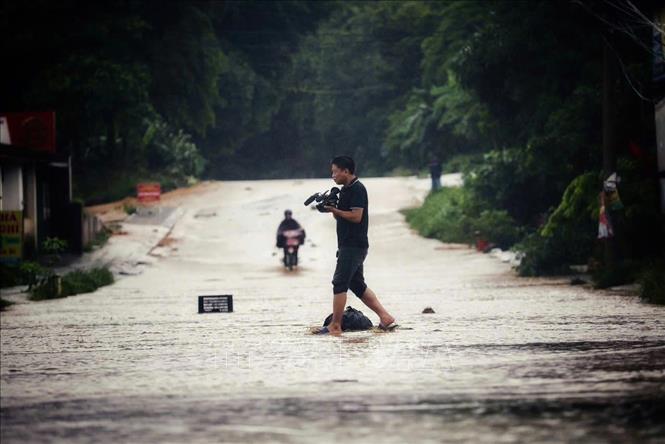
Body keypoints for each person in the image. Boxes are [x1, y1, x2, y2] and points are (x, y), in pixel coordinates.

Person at [315, 155, 397, 335]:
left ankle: (335, 325)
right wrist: (330, 208)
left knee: (339, 282)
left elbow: (356, 217)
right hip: (346, 244)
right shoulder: (344, 190)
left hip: (354, 244)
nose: (333, 176)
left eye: (336, 172)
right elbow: (340, 215)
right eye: (332, 172)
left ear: (346, 171)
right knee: (357, 284)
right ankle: (385, 317)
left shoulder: (358, 189)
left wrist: (335, 210)